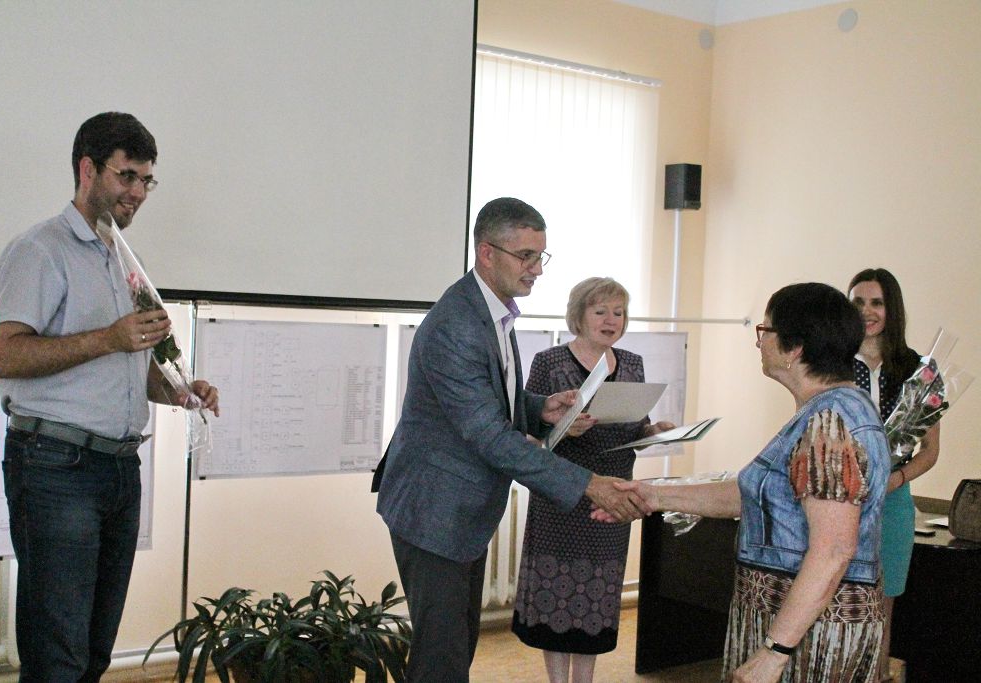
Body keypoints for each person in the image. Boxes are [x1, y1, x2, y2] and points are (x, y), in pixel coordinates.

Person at [0, 112, 220, 682]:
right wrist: (108, 338)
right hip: (55, 468)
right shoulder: (40, 249)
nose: (137, 192)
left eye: (146, 180)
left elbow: (126, 365)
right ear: (87, 170)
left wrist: (180, 392)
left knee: (93, 651)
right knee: (57, 654)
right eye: (126, 176)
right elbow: (3, 356)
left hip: (118, 468)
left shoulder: (120, 257)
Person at [374, 197, 646, 683]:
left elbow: (491, 396)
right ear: (487, 253)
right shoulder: (457, 325)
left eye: (541, 256)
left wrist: (539, 408)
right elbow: (489, 436)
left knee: (455, 648)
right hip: (434, 510)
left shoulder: (491, 311)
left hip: (461, 510)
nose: (537, 269)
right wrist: (589, 484)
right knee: (442, 658)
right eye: (525, 256)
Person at [598, 283, 890, 682]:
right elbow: (755, 494)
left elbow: (834, 550)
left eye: (765, 331)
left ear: (794, 348)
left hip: (810, 636)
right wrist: (653, 495)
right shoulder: (825, 411)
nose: (758, 342)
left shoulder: (830, 422)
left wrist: (774, 653)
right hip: (792, 624)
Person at [512, 276, 674, 683]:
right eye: (600, 311)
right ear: (579, 315)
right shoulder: (549, 362)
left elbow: (637, 425)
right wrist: (564, 429)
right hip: (561, 496)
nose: (611, 319)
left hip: (614, 497)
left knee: (597, 598)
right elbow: (527, 435)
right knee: (556, 595)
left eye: (618, 312)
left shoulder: (632, 363)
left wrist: (655, 433)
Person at [848, 267, 940, 682]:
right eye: (858, 302)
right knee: (833, 598)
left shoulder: (919, 369)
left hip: (893, 500)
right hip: (839, 498)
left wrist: (894, 480)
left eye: (877, 303)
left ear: (892, 309)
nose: (866, 311)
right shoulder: (830, 362)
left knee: (882, 608)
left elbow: (930, 452)